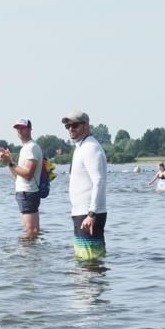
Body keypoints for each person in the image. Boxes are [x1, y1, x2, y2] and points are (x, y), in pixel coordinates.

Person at [62, 110, 107, 260]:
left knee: (90, 261)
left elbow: (99, 180)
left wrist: (91, 213)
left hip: (88, 214)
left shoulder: (90, 148)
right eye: (67, 126)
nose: (70, 129)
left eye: (74, 125)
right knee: (85, 260)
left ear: (86, 125)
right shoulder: (80, 147)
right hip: (80, 213)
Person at [0, 118, 43, 237]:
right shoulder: (27, 147)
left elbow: (28, 174)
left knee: (30, 231)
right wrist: (9, 161)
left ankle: (25, 254)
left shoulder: (31, 147)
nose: (20, 131)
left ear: (30, 129)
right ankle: (32, 254)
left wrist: (10, 162)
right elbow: (18, 175)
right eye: (18, 128)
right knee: (33, 231)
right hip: (26, 193)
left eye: (23, 128)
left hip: (28, 193)